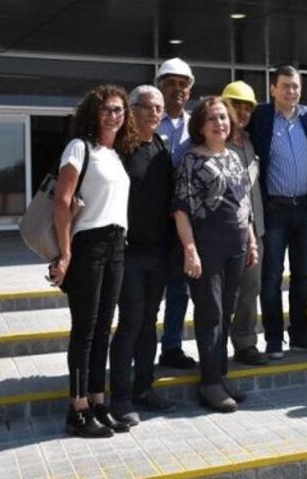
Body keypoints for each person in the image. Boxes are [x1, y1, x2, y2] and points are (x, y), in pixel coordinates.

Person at [49, 84, 135, 437]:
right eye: (106, 109)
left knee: (103, 328)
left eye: (118, 110)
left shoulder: (116, 155)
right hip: (88, 246)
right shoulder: (78, 148)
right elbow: (62, 201)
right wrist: (65, 253)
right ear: (92, 113)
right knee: (84, 330)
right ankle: (77, 409)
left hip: (117, 245)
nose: (113, 115)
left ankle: (99, 402)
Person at [172, 96, 258, 412]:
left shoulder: (234, 158)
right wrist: (190, 250)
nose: (219, 123)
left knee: (226, 313)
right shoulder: (191, 160)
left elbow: (244, 204)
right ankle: (208, 383)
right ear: (200, 125)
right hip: (206, 249)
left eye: (223, 118)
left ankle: (220, 375)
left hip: (236, 249)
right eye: (212, 119)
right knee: (210, 314)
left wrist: (251, 241)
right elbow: (181, 209)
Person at [248, 65, 307, 359]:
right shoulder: (262, 116)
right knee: (271, 277)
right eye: (285, 86)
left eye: (295, 86)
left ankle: (300, 334)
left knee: (303, 276)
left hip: (305, 208)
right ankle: (273, 338)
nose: (291, 92)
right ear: (272, 89)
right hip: (275, 209)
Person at [108, 85, 176, 427]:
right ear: (132, 110)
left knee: (150, 324)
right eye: (147, 107)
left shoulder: (161, 147)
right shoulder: (120, 149)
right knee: (131, 323)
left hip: (158, 253)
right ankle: (119, 398)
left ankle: (144, 387)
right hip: (129, 254)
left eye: (158, 108)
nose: (154, 113)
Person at [155, 57, 198, 370]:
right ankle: (139, 347)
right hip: (150, 218)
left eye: (184, 84)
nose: (178, 90)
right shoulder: (146, 121)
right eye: (171, 83)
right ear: (160, 87)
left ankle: (171, 347)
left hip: (185, 219)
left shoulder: (196, 124)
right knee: (147, 289)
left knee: (178, 288)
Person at [222, 81, 268, 366]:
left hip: (256, 230)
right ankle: (215, 347)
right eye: (235, 105)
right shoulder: (215, 142)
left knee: (251, 290)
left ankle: (245, 343)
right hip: (225, 233)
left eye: (246, 107)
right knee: (225, 293)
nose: (241, 111)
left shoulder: (251, 142)